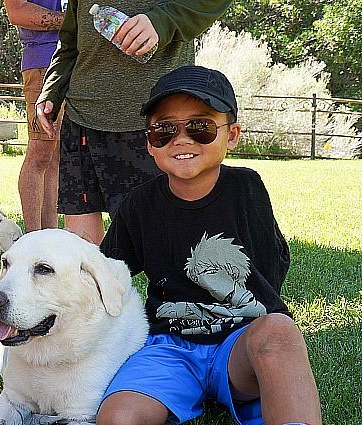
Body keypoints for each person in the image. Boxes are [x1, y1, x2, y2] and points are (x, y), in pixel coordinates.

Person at [96, 66, 331, 425]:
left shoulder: (246, 188)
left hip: (238, 346)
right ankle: (191, 402)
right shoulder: (139, 205)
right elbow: (109, 275)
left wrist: (252, 331)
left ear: (232, 134)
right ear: (149, 142)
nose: (182, 139)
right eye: (164, 129)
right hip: (170, 349)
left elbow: (270, 267)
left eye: (200, 126)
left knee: (279, 333)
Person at [35, 0, 230, 244]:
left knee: (165, 242)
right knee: (81, 249)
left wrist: (162, 21)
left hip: (157, 122)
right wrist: (53, 89)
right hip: (81, 116)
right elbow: (70, 42)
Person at [5, 0, 65, 232]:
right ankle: (33, 239)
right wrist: (71, 22)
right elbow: (17, 11)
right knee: (40, 152)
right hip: (43, 63)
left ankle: (48, 236)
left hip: (78, 62)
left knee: (57, 155)